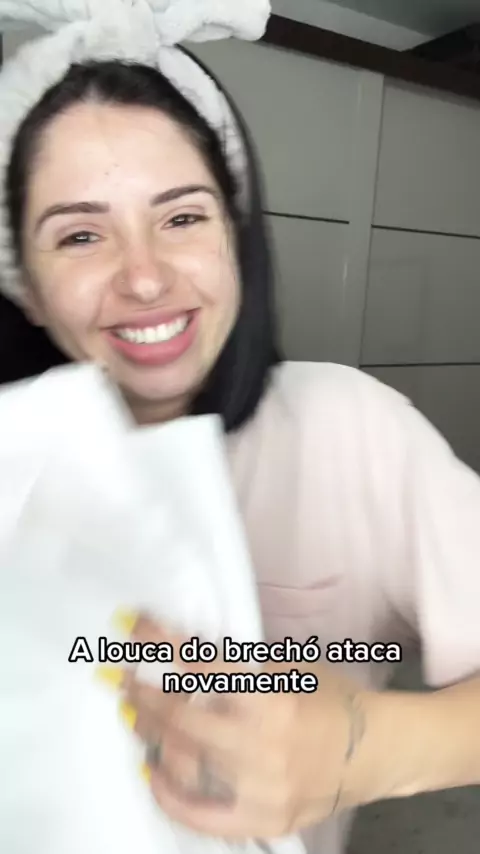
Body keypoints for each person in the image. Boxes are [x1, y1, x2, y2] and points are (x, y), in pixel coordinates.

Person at [0, 3, 479, 854]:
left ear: (234, 235)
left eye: (182, 218)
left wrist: (369, 748)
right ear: (25, 285)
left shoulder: (349, 432)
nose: (145, 278)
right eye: (80, 234)